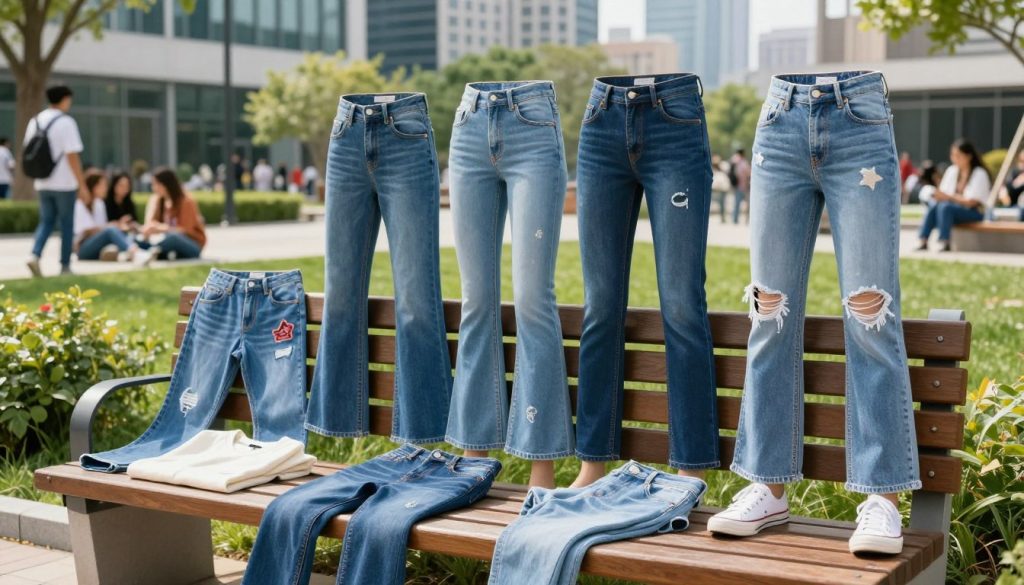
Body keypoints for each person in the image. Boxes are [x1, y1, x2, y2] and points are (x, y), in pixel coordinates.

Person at [25, 85, 86, 277]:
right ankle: (65, 265)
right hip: (64, 183)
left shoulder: (35, 120)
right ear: (65, 99)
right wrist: (82, 184)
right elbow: (72, 155)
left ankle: (35, 255)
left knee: (46, 221)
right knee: (66, 224)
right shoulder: (66, 122)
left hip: (43, 181)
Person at [917, 139, 991, 251]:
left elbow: (972, 202)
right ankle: (923, 240)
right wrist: (937, 195)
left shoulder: (979, 173)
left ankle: (944, 242)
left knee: (945, 207)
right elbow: (943, 194)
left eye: (958, 155)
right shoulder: (952, 170)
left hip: (975, 212)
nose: (954, 159)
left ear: (969, 156)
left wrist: (947, 197)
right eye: (953, 155)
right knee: (935, 206)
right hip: (952, 211)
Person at [140, 166, 206, 263]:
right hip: (172, 246)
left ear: (166, 185)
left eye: (155, 184)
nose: (153, 188)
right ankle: (149, 251)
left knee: (174, 237)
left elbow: (184, 229)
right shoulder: (161, 201)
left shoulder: (186, 201)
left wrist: (160, 228)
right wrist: (153, 202)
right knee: (136, 238)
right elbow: (150, 222)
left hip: (192, 245)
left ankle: (147, 252)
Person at [75, 170, 137, 261]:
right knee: (111, 230)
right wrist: (112, 225)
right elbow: (85, 232)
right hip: (83, 248)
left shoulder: (99, 204)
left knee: (127, 233)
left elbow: (102, 227)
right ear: (94, 187)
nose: (106, 189)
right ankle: (134, 253)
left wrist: (117, 225)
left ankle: (135, 250)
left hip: (98, 245)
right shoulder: (79, 205)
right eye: (103, 185)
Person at [997, 149, 1024, 221]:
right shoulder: (1015, 172)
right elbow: (1007, 188)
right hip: (1012, 206)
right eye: (1021, 161)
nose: (1022, 164)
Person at [730, 148, 751, 224]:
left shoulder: (733, 160)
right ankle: (747, 220)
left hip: (736, 186)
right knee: (748, 204)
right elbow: (748, 173)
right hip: (744, 186)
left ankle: (735, 219)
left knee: (736, 204)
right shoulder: (743, 162)